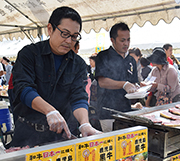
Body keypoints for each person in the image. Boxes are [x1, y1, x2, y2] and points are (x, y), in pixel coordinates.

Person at [11, 6, 100, 147]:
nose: (69, 41)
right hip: (28, 133)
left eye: (74, 36)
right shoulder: (29, 54)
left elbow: (79, 97)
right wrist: (49, 111)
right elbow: (24, 88)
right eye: (65, 33)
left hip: (62, 135)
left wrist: (84, 124)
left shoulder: (78, 64)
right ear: (50, 29)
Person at [95, 22, 140, 132]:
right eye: (122, 40)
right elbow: (102, 82)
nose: (126, 44)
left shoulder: (131, 60)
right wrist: (124, 84)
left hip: (126, 111)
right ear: (112, 40)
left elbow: (133, 82)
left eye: (128, 40)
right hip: (108, 112)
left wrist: (136, 89)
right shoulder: (103, 56)